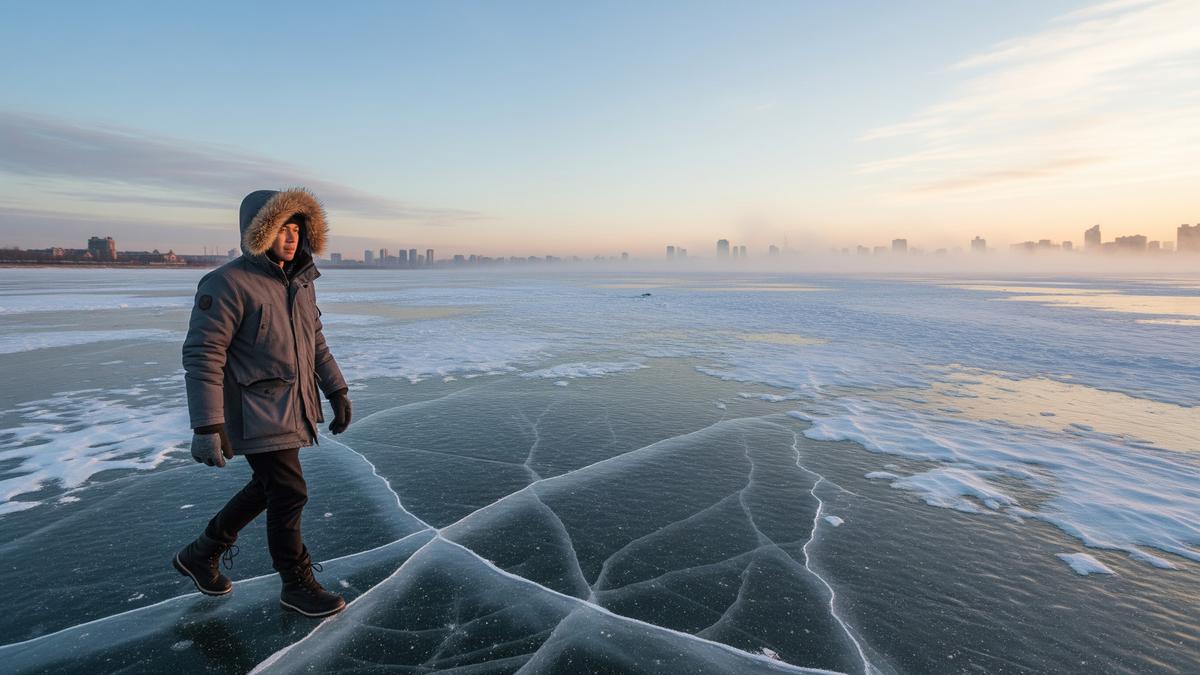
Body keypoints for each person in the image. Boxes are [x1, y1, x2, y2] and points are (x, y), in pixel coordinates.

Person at [173, 187, 353, 618]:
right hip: (254, 411)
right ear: (258, 232)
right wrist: (207, 426)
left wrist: (337, 390)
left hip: (293, 404)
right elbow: (204, 354)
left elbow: (316, 344)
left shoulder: (301, 281)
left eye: (296, 229)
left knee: (268, 487)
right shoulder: (227, 283)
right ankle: (296, 583)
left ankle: (202, 553)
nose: (290, 238)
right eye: (280, 229)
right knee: (289, 491)